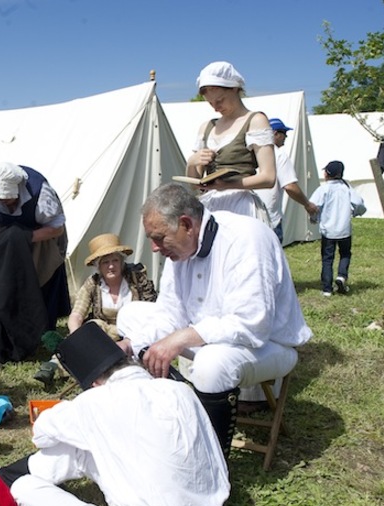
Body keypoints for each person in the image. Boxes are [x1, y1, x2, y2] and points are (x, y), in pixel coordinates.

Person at [0, 323, 230, 506]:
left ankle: (8, 480)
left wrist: (76, 412)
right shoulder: (178, 390)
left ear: (95, 383)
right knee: (87, 447)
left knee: (24, 487)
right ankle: (14, 475)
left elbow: (41, 432)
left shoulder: (96, 402)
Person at [116, 183, 312, 454]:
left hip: (268, 344)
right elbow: (170, 313)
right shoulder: (179, 251)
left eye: (159, 238)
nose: (154, 248)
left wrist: (179, 339)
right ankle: (166, 414)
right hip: (209, 338)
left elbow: (252, 324)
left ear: (186, 224)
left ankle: (211, 460)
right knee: (131, 314)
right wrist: (130, 343)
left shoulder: (247, 238)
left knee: (212, 363)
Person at [34, 232, 157, 384]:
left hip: (135, 332)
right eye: (106, 262)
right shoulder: (93, 283)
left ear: (122, 261)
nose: (111, 266)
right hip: (104, 335)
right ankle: (54, 366)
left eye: (115, 260)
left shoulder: (137, 280)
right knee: (94, 327)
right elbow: (77, 314)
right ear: (98, 266)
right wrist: (77, 337)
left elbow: (152, 312)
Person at [0, 162, 70, 330]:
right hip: (7, 240)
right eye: (0, 200)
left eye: (8, 199)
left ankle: (44, 329)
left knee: (44, 281)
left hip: (42, 238)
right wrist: (1, 245)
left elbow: (57, 228)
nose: (4, 203)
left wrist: (25, 238)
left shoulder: (40, 191)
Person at [186, 62, 276, 219]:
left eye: (220, 100)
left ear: (234, 88)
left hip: (241, 206)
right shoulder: (206, 127)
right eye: (211, 103)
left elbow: (268, 178)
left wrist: (227, 185)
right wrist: (192, 162)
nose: (216, 107)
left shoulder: (255, 121)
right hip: (210, 207)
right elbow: (195, 185)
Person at [309, 161, 367, 296]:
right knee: (345, 254)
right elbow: (358, 202)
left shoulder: (323, 189)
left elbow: (313, 205)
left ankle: (327, 288)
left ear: (327, 174)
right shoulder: (347, 188)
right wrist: (356, 212)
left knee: (327, 258)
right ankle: (341, 276)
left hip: (328, 231)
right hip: (344, 229)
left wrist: (313, 218)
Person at [256, 118, 316, 243]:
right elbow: (290, 186)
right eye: (283, 132)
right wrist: (307, 204)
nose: (286, 137)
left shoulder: (251, 153)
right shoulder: (278, 155)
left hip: (250, 217)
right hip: (270, 219)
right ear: (274, 133)